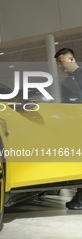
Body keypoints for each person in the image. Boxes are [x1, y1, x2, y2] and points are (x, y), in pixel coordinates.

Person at [54, 47, 82, 210]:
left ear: (71, 59)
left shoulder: (78, 77)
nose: (59, 67)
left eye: (61, 62)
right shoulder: (69, 80)